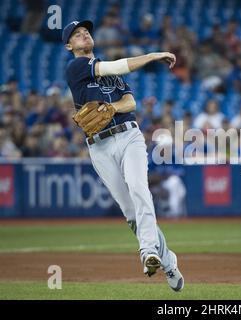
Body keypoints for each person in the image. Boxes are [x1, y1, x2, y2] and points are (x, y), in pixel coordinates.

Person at [62, 20, 183, 291]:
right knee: (130, 212)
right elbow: (115, 66)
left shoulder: (112, 76)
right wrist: (152, 55)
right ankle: (168, 261)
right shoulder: (77, 66)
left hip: (129, 136)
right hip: (99, 146)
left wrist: (110, 107)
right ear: (70, 45)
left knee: (140, 188)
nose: (84, 35)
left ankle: (147, 251)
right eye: (77, 35)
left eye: (86, 32)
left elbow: (130, 103)